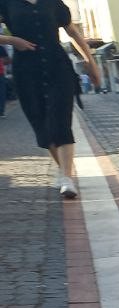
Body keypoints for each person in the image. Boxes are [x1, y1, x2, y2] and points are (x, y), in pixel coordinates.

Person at [0, 0, 100, 198]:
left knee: (60, 121)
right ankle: (65, 172)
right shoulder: (7, 3)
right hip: (26, 71)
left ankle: (67, 178)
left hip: (58, 67)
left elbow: (72, 32)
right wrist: (12, 41)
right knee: (41, 125)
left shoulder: (52, 2)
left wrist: (90, 62)